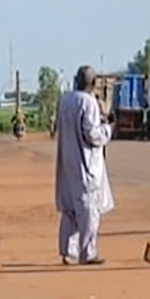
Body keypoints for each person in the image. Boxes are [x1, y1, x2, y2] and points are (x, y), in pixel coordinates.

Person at [53, 66, 115, 265]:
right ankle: (88, 252)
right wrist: (107, 129)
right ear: (94, 82)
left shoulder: (65, 100)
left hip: (67, 163)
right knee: (89, 209)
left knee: (70, 209)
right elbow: (92, 135)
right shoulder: (88, 102)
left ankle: (68, 251)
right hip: (86, 165)